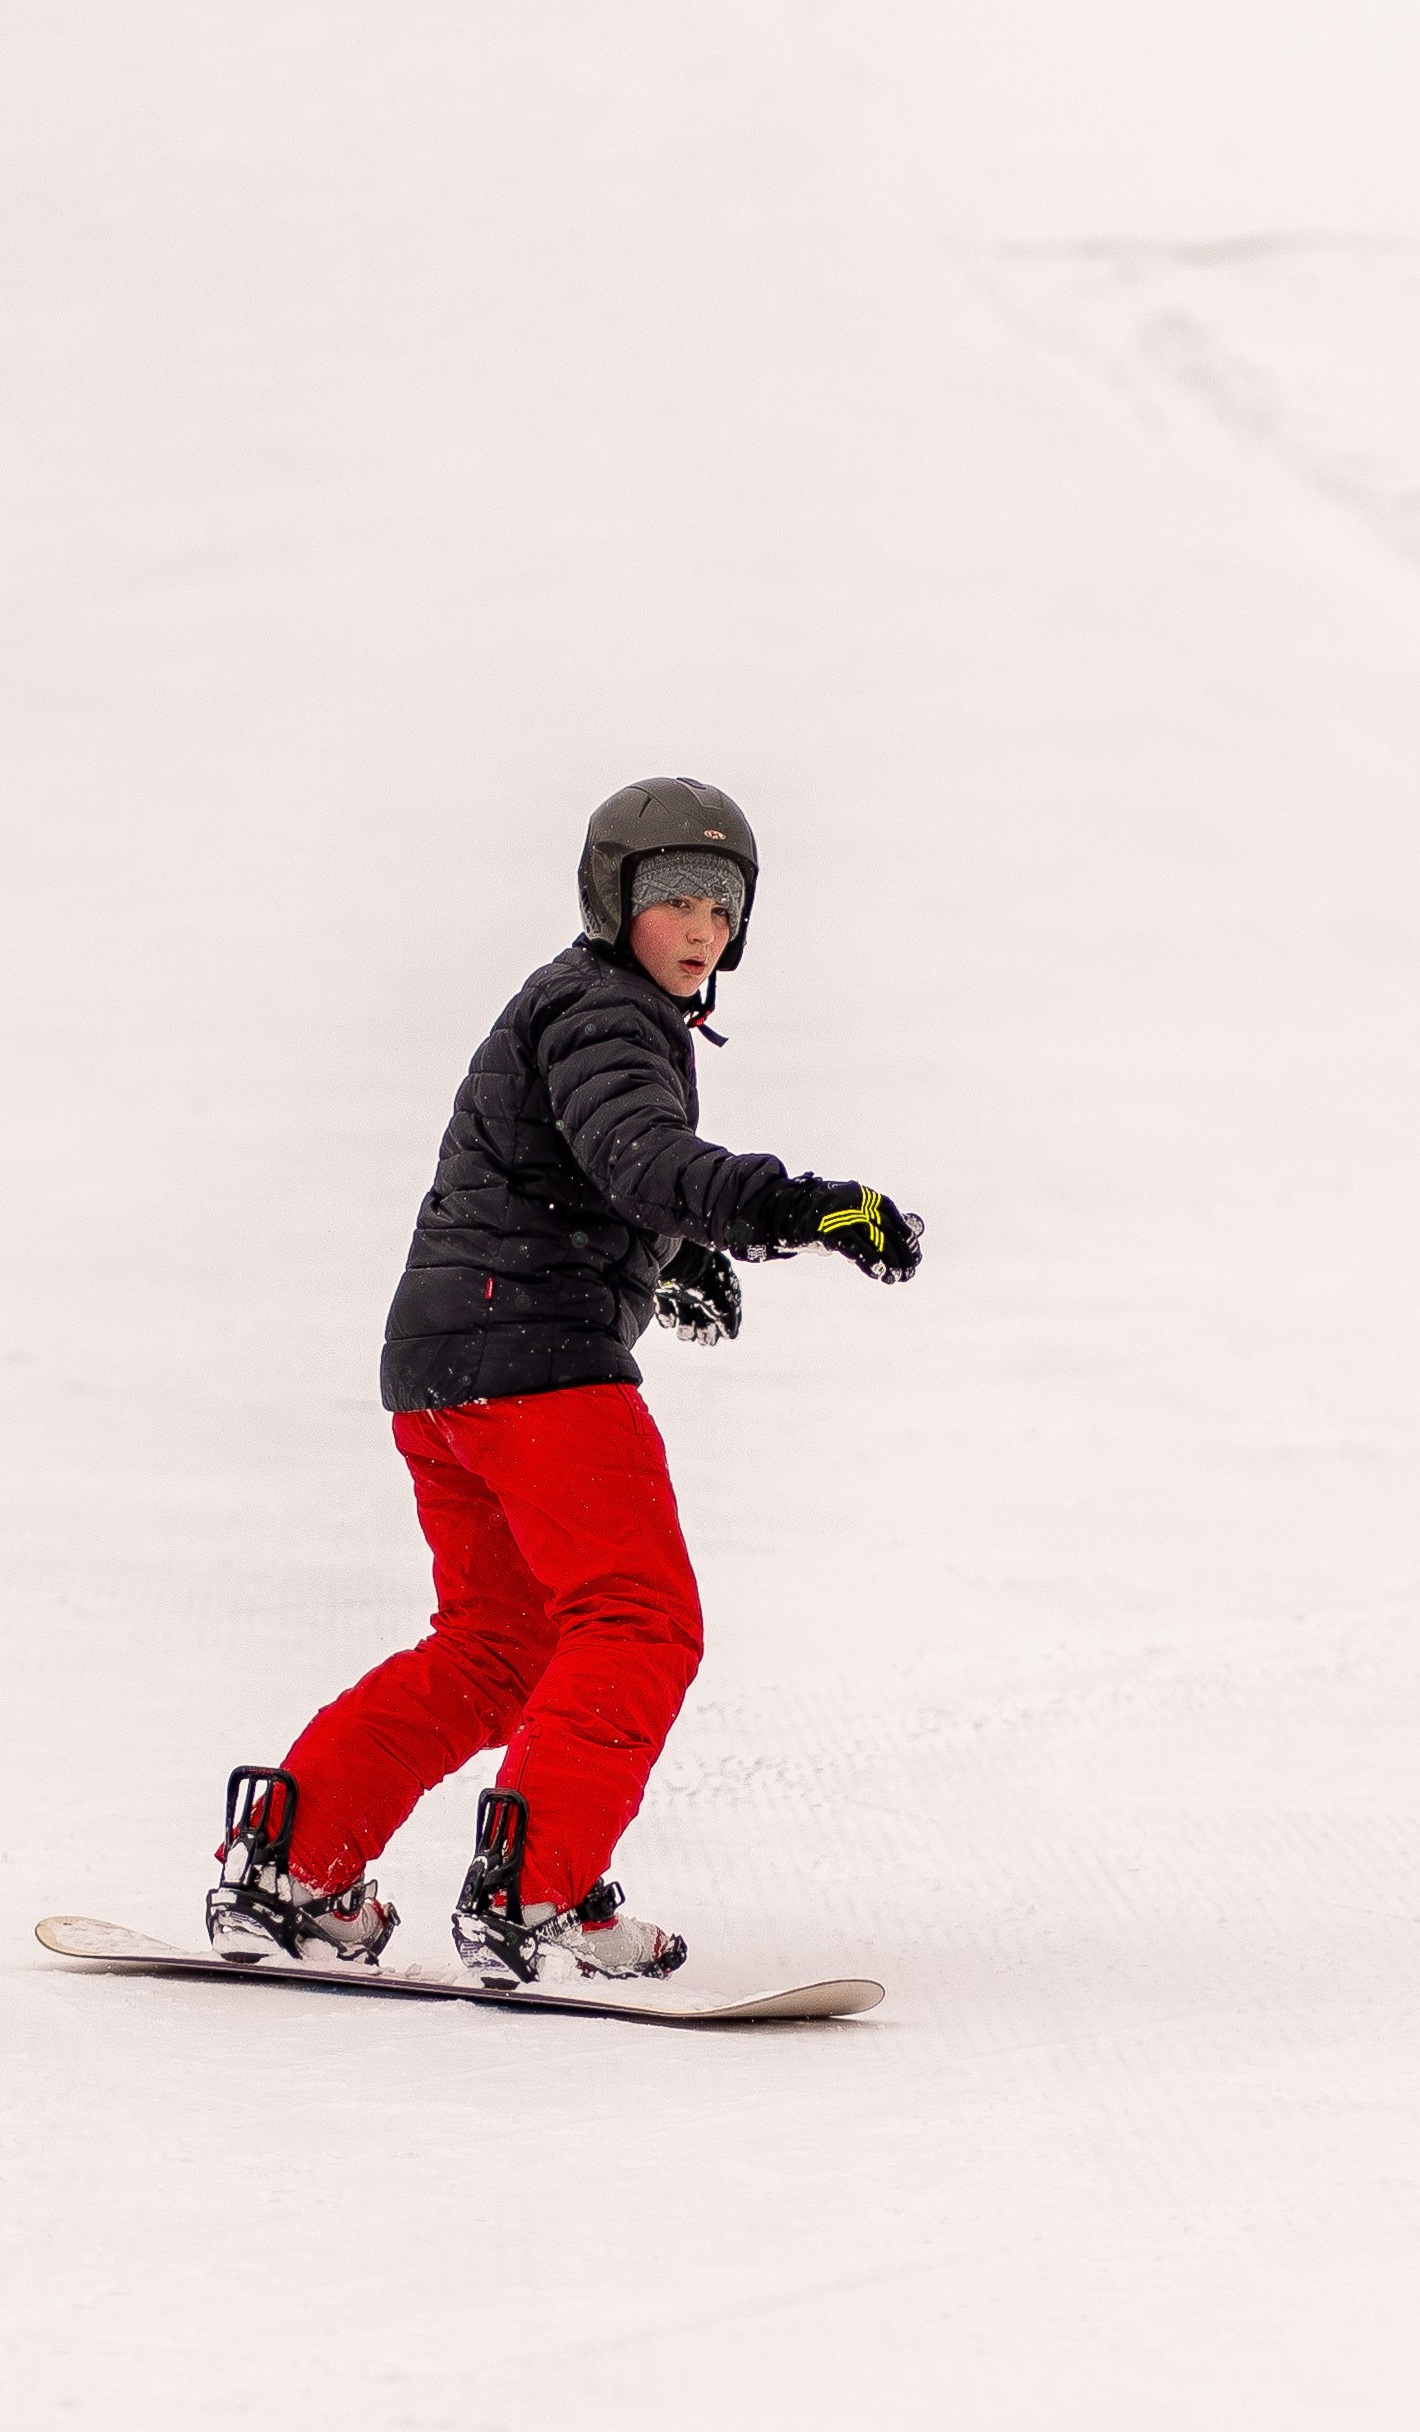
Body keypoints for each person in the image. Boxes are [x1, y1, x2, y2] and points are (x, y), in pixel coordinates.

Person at [206, 775, 924, 1988]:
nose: (701, 929)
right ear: (613, 899)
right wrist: (793, 1210)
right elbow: (638, 1154)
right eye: (674, 900)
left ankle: (291, 1868)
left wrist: (670, 1255)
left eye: (723, 905)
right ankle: (536, 1894)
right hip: (539, 1373)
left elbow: (574, 1167)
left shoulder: (575, 1004)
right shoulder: (606, 1012)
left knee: (498, 1645)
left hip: (445, 1372)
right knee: (638, 1619)